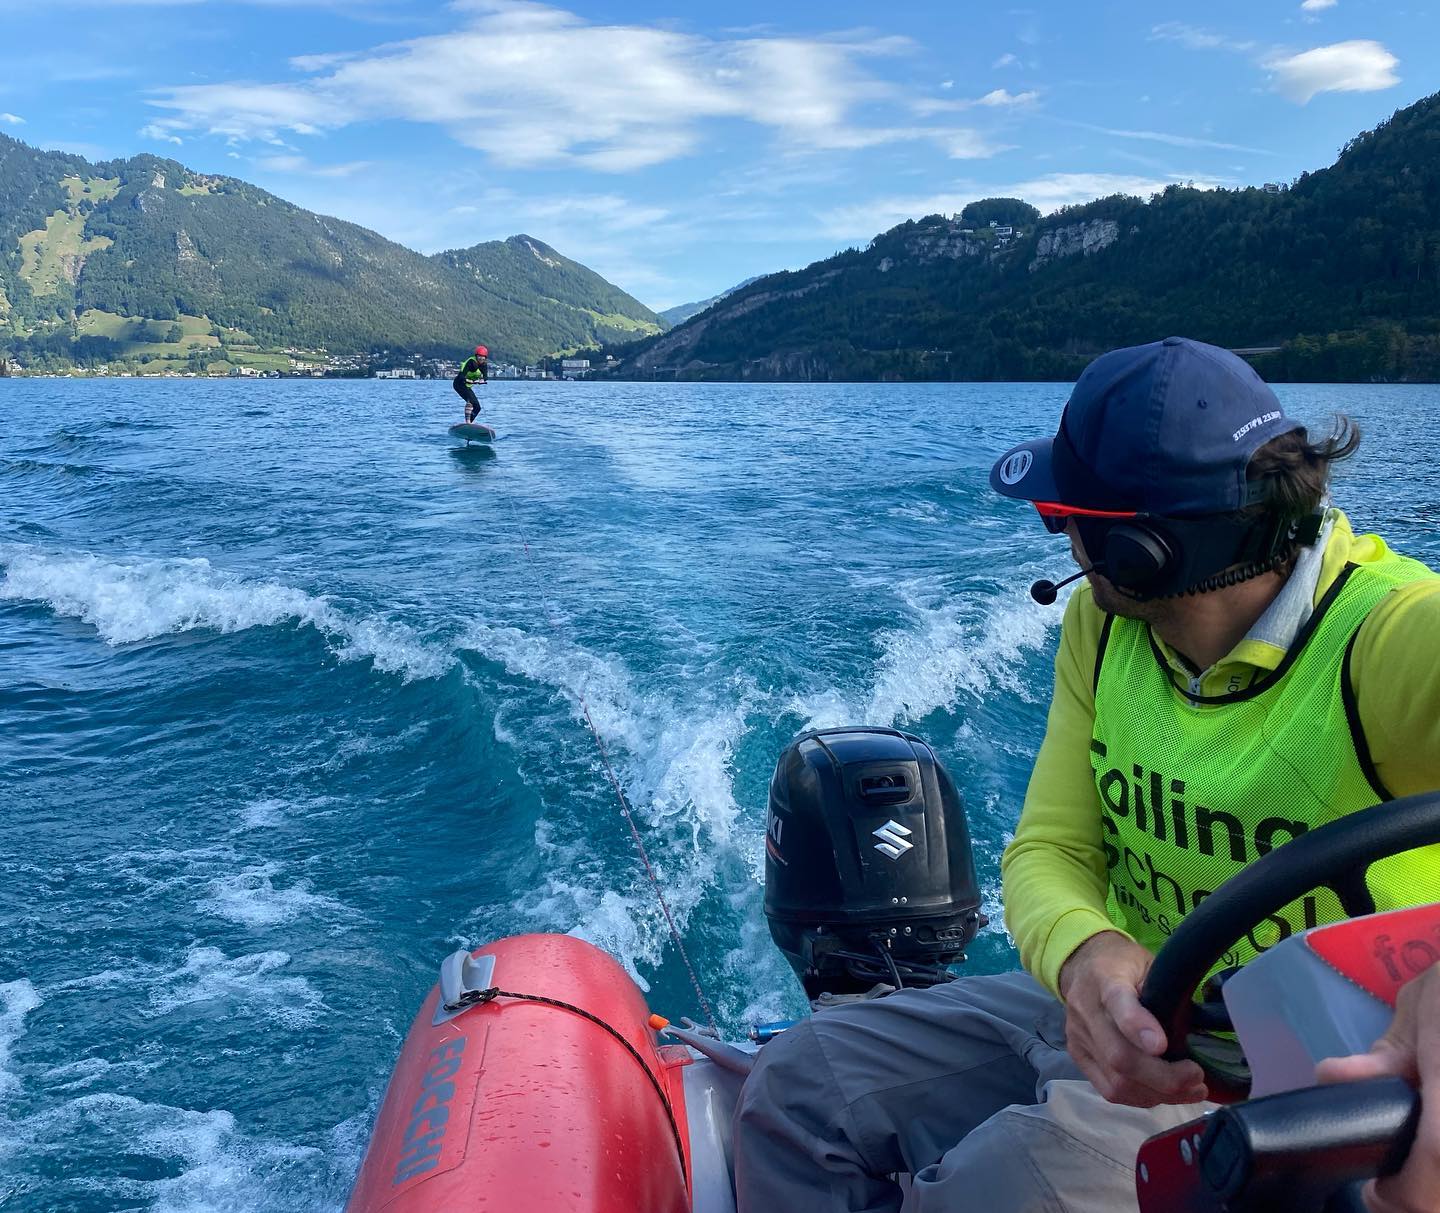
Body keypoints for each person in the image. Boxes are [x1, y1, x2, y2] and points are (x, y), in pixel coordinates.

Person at [732, 336, 1440, 1212]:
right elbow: (1050, 848)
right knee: (803, 1082)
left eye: (1061, 518)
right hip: (1120, 1016)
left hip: (1321, 1080)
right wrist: (1086, 956)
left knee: (1005, 1183)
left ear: (1144, 553)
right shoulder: (1103, 631)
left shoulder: (1391, 637)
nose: (1058, 538)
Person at [454, 345, 488, 422]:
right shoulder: (471, 362)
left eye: (483, 357)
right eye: (479, 356)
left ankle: (469, 424)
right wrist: (467, 380)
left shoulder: (484, 365)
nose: (481, 359)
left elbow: (485, 377)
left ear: (485, 358)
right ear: (476, 356)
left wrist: (482, 380)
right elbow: (461, 376)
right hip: (459, 384)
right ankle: (467, 422)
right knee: (471, 402)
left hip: (467, 386)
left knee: (477, 407)